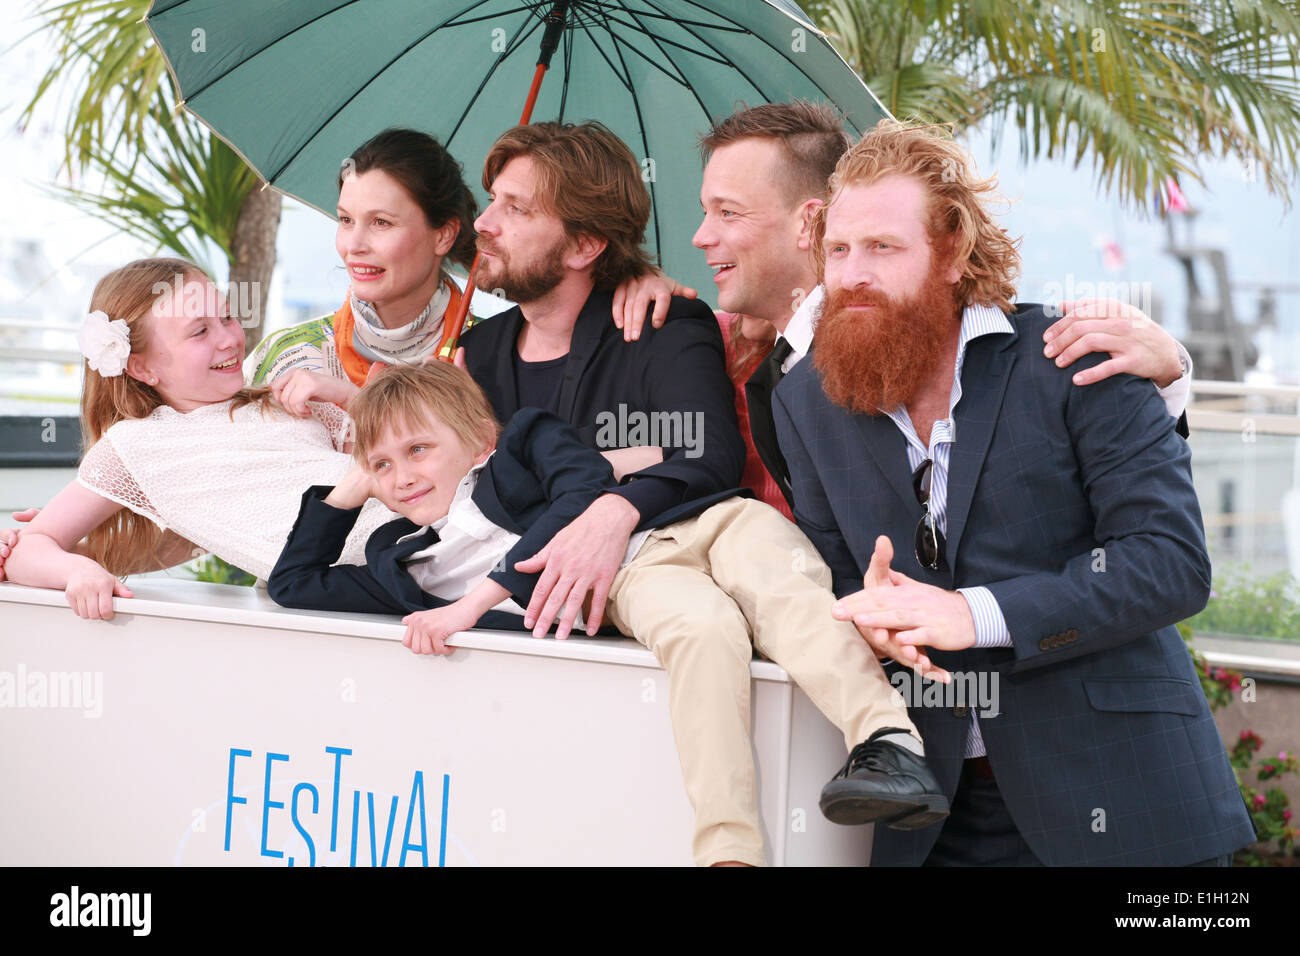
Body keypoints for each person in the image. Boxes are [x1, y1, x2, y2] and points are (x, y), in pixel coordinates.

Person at [772, 119, 1256, 866]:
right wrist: (867, 618)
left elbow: (1169, 565)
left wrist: (974, 614)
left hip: (1126, 802)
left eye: (883, 248)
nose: (852, 273)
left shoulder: (1076, 354)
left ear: (953, 254)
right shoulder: (806, 400)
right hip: (930, 820)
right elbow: (834, 575)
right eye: (838, 249)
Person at [268, 361, 950, 866]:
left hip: (708, 521)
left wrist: (479, 602)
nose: (402, 474)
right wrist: (352, 486)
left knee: (786, 595)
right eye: (385, 466)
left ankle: (890, 746)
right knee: (702, 632)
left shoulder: (524, 445)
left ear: (478, 441)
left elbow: (583, 494)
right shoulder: (404, 563)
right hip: (634, 579)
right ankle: (730, 855)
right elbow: (295, 583)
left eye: (417, 450)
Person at [685, 101, 1194, 505]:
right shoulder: (720, 342)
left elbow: (1154, 550)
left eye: (728, 212)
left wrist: (1169, 381)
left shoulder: (1015, 345)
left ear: (807, 223)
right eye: (840, 249)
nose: (700, 237)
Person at [457, 121, 745, 643]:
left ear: (584, 245)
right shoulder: (475, 353)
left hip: (622, 634)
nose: (484, 222)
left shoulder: (662, 327)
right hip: (483, 631)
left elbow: (709, 452)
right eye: (492, 199)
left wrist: (618, 508)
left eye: (516, 209)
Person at [2, 258, 399, 617]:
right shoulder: (136, 445)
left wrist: (346, 396)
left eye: (227, 316)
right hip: (379, 574)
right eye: (200, 332)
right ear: (142, 368)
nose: (227, 338)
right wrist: (77, 569)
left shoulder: (287, 402)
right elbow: (30, 548)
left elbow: (401, 452)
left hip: (423, 526)